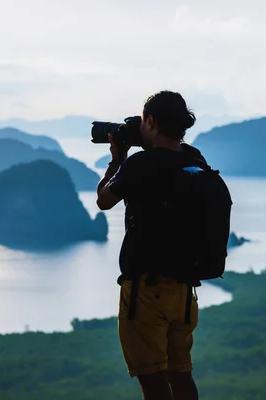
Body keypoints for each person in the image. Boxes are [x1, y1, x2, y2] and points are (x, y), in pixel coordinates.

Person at [96, 90, 205, 400]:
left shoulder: (140, 164)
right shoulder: (195, 159)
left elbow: (104, 199)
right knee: (181, 375)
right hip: (184, 291)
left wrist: (118, 160)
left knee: (153, 380)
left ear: (152, 121)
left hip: (145, 291)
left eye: (143, 122)